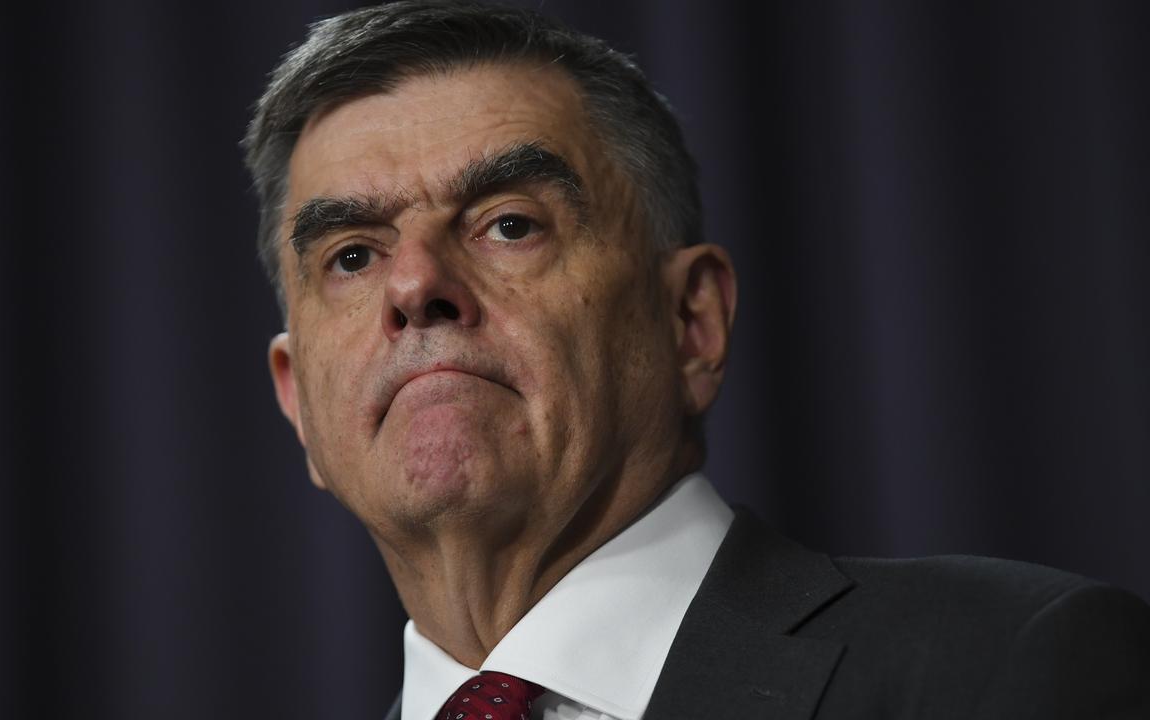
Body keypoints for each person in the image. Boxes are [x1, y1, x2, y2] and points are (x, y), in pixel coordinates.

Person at [243, 2, 1150, 718]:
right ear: (299, 405)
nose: (416, 285)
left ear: (691, 321)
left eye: (509, 224)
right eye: (352, 256)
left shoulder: (1012, 670)